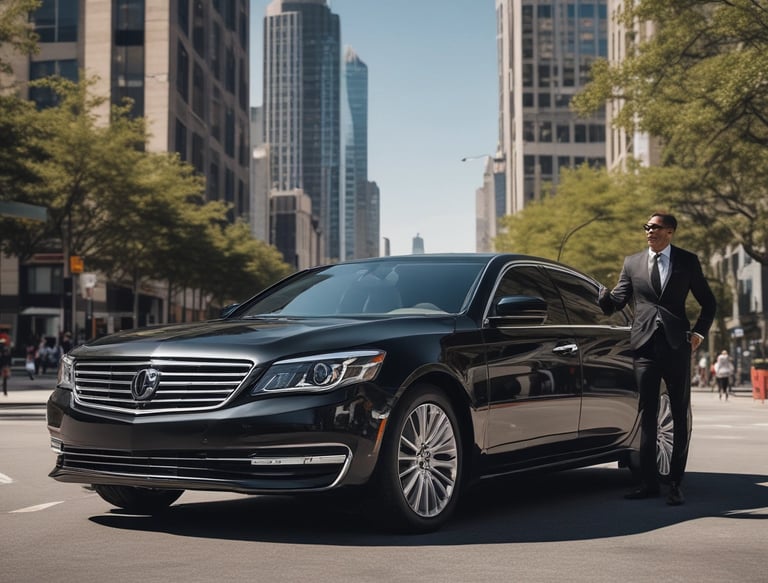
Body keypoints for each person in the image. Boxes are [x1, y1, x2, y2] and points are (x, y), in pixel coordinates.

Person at [599, 212, 716, 506]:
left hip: (677, 346)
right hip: (645, 347)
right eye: (647, 227)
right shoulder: (632, 263)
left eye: (655, 227)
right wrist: (603, 298)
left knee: (678, 413)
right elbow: (616, 303)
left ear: (670, 232)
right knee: (647, 415)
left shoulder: (687, 261)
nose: (649, 231)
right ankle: (648, 483)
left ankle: (675, 483)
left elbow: (708, 302)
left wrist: (699, 334)